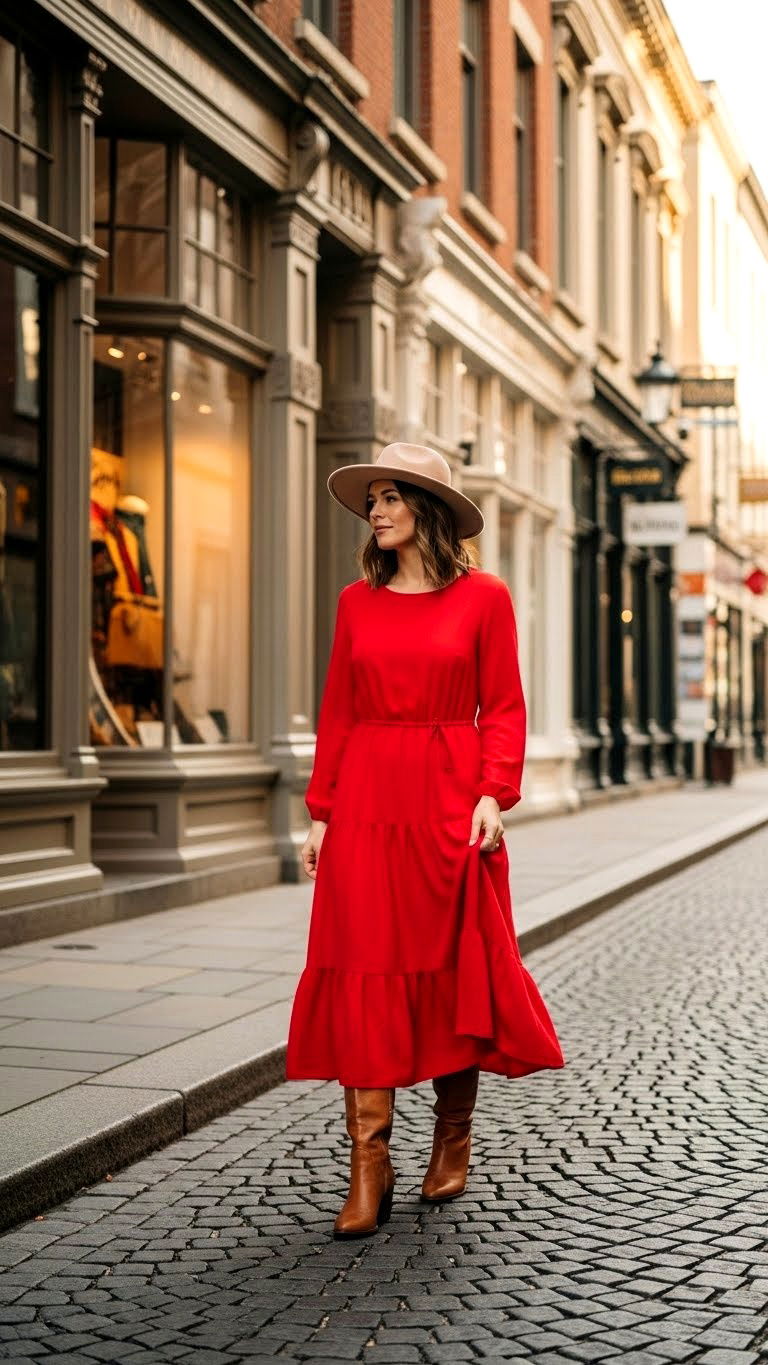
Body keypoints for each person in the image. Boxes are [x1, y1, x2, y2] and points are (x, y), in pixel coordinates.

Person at [286, 443, 564, 1239]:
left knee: (449, 968)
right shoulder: (354, 603)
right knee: (367, 962)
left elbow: (504, 707)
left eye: (389, 496)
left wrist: (492, 793)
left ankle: (452, 1137)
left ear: (425, 509)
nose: (374, 510)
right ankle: (368, 1164)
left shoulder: (485, 598)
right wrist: (320, 811)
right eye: (370, 498)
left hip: (448, 802)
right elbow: (337, 710)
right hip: (368, 801)